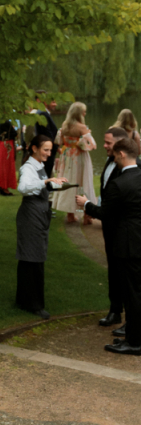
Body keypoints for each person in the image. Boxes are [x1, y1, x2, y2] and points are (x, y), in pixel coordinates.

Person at [77, 137, 141, 355]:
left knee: (132, 294)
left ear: (122, 154)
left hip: (128, 245)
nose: (113, 157)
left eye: (114, 154)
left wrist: (85, 204)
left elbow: (104, 213)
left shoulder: (119, 184)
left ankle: (134, 342)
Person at [15, 134, 64, 318]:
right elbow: (23, 187)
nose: (49, 154)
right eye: (45, 150)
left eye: (50, 150)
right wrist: (45, 182)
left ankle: (23, 300)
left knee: (32, 257)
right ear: (34, 148)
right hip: (31, 216)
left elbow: (42, 186)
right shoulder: (28, 167)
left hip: (39, 215)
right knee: (32, 258)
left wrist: (56, 184)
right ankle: (33, 304)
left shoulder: (40, 166)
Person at [87, 126, 128, 330]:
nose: (104, 146)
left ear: (120, 144)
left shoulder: (131, 167)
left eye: (108, 143)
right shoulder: (109, 161)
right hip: (109, 226)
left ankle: (131, 320)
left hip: (123, 228)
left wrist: (90, 207)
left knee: (125, 272)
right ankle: (115, 310)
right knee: (113, 268)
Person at [51, 101, 97, 223]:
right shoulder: (82, 127)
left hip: (67, 157)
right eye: (84, 112)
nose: (85, 113)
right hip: (79, 157)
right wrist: (83, 141)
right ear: (79, 114)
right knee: (83, 182)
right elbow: (92, 145)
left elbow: (58, 141)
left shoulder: (64, 125)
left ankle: (70, 215)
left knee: (69, 182)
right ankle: (87, 215)